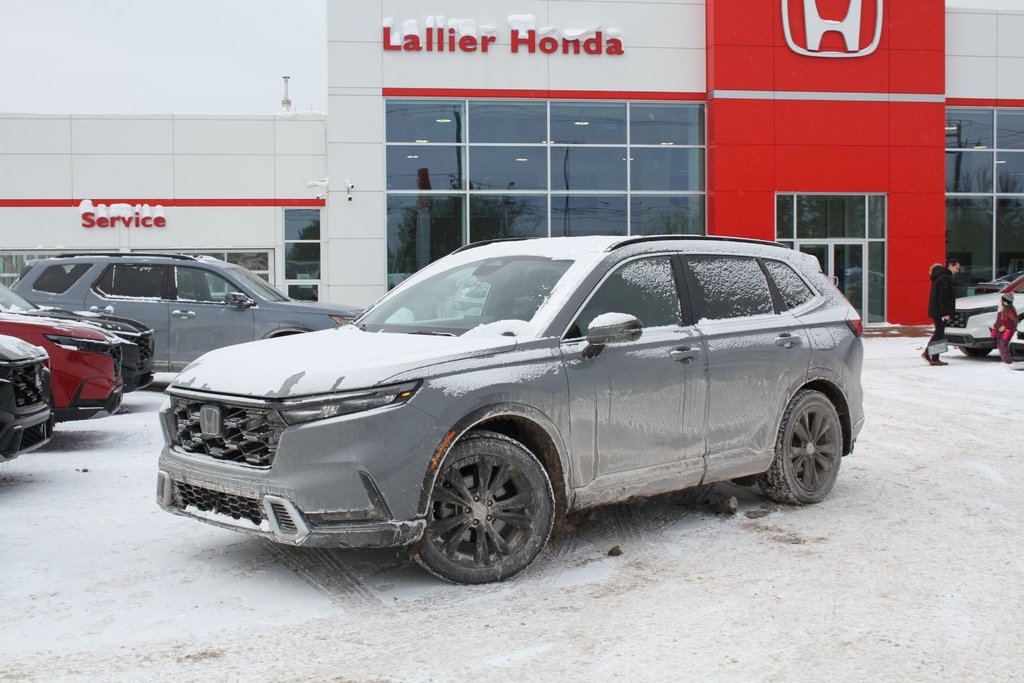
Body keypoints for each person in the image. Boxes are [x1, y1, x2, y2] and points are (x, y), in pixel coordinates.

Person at [923, 259, 960, 366]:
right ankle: (930, 354)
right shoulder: (945, 277)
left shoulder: (940, 277)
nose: (957, 271)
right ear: (951, 266)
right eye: (956, 268)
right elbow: (943, 297)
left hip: (937, 310)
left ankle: (933, 357)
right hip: (941, 312)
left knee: (939, 333)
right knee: (939, 333)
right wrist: (945, 313)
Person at [991, 291, 1019, 366]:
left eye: (1002, 300)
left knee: (1003, 346)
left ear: (1005, 301)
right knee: (1000, 345)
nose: (1000, 301)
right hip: (1000, 331)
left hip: (1006, 332)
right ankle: (1005, 360)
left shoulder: (1009, 311)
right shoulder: (1001, 310)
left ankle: (1008, 362)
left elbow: (1011, 322)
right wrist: (994, 330)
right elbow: (998, 321)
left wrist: (1007, 331)